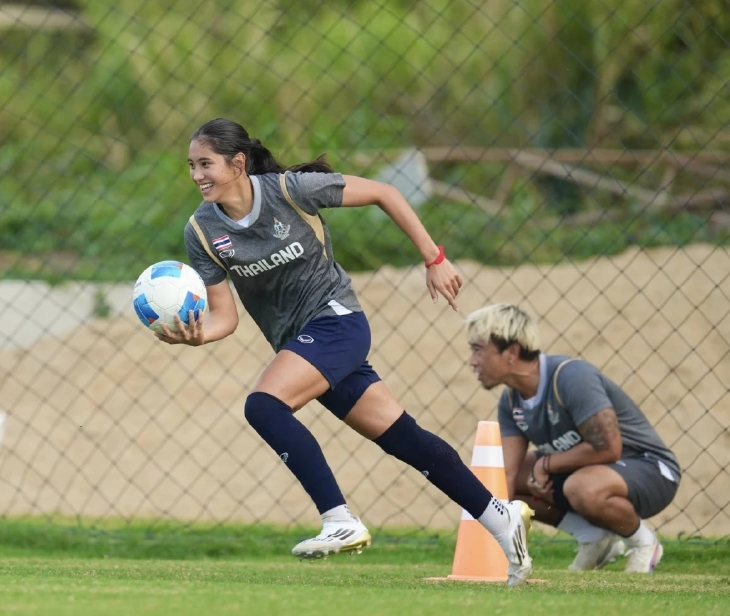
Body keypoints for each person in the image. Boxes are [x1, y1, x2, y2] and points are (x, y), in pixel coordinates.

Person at [156, 117, 534, 587]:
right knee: (406, 440)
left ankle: (339, 519)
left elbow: (385, 193)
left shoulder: (290, 190)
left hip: (338, 321)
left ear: (237, 163)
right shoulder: (202, 231)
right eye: (191, 165)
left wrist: (434, 259)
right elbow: (224, 318)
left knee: (264, 406)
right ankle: (501, 518)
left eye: (206, 163)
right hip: (303, 344)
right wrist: (194, 335)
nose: (197, 175)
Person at [463, 303, 681, 573]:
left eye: (478, 349)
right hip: (588, 472)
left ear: (512, 352)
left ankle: (644, 544)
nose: (472, 360)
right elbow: (505, 476)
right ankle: (594, 538)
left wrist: (546, 465)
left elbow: (609, 449)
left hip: (651, 469)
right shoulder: (511, 401)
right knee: (497, 481)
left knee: (582, 487)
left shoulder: (570, 376)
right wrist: (490, 548)